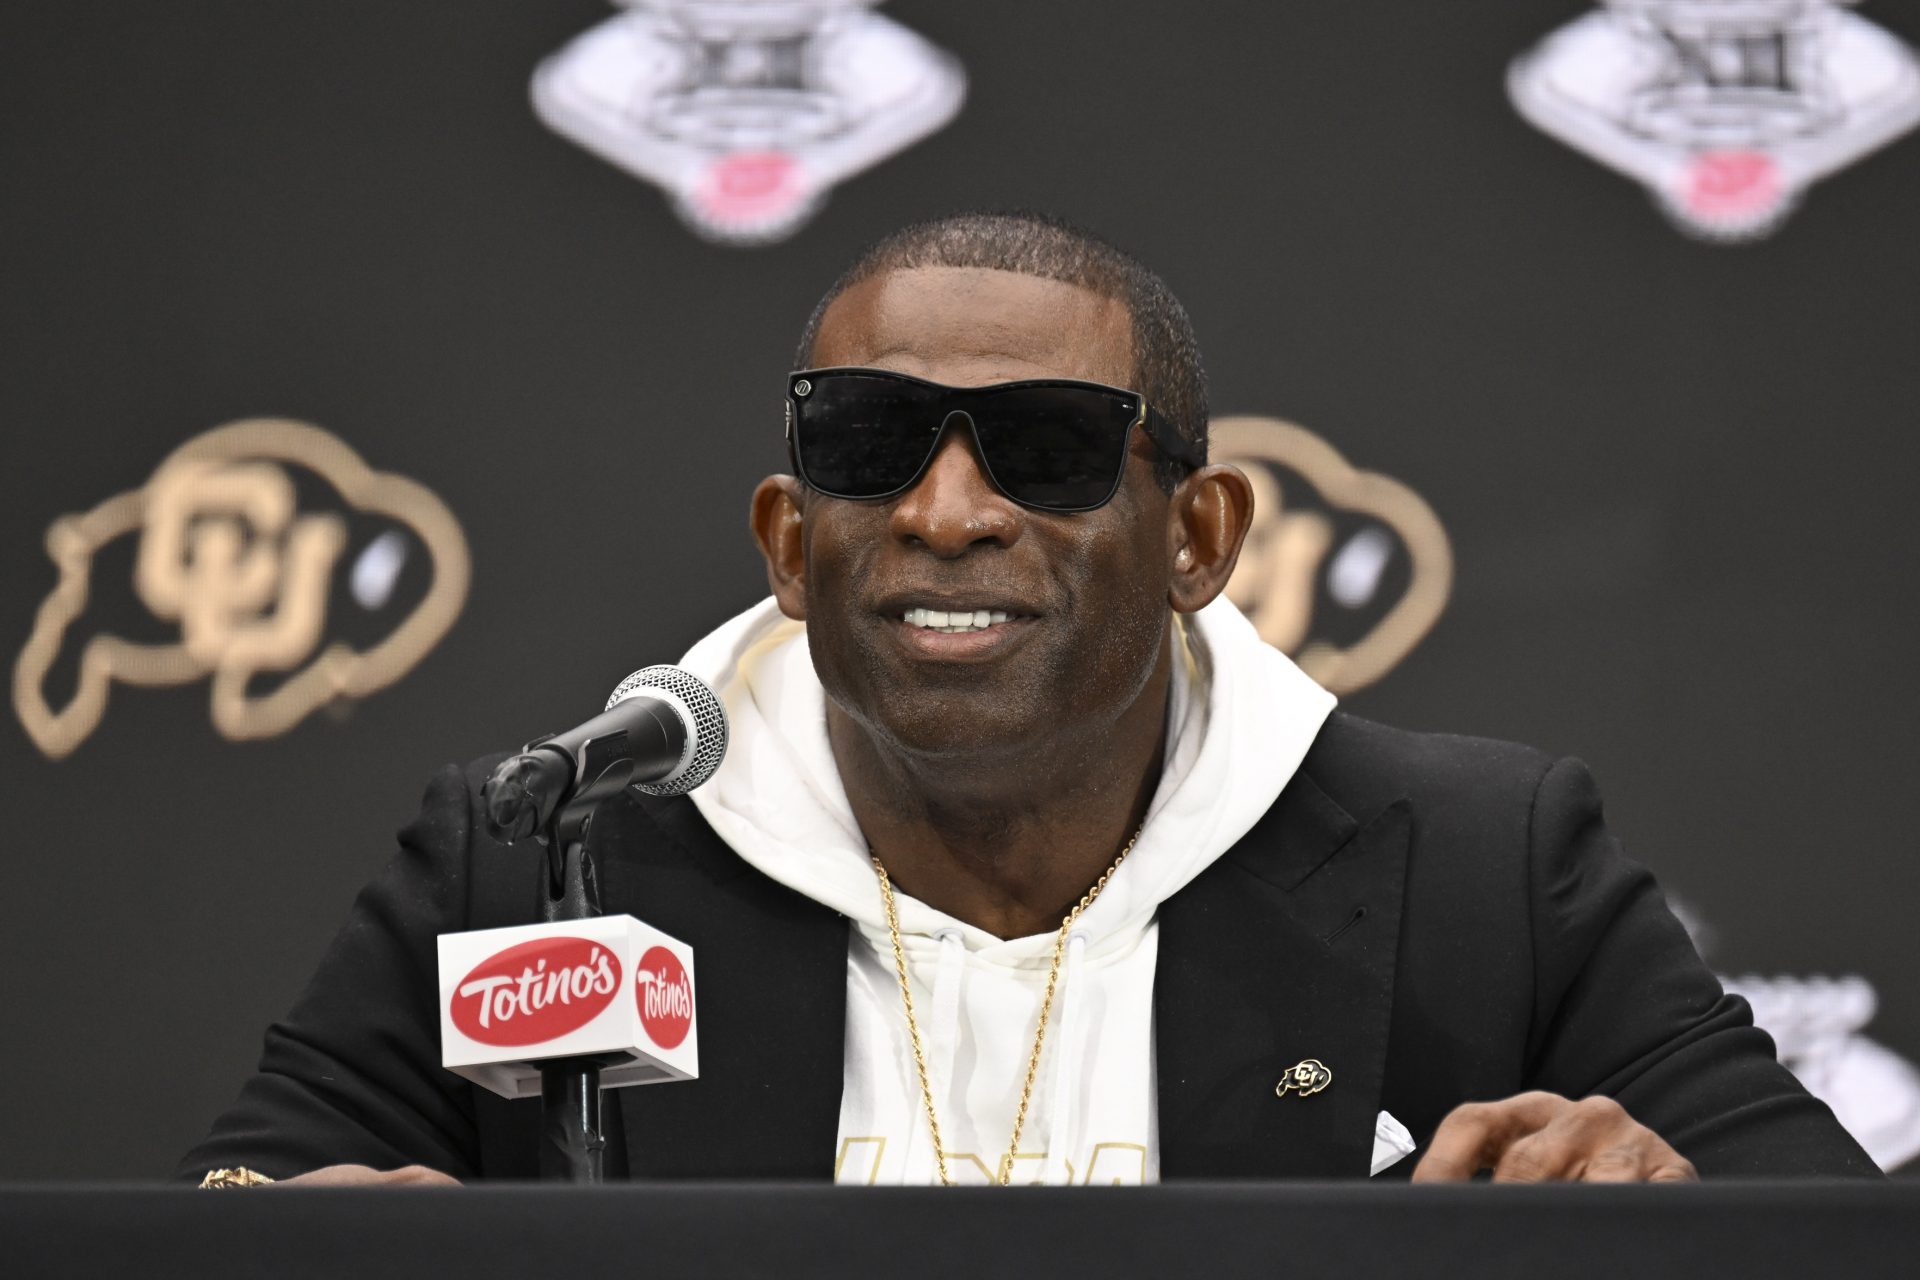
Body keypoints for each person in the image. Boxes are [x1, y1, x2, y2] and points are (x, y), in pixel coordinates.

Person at [181, 212, 1877, 1187]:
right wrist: (316, 1227)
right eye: (868, 443)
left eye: (1050, 449)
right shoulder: (549, 850)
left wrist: (1666, 1215)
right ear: (789, 538)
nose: (944, 511)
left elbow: (1821, 1235)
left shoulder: (1481, 862)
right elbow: (236, 1199)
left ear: (1199, 536)